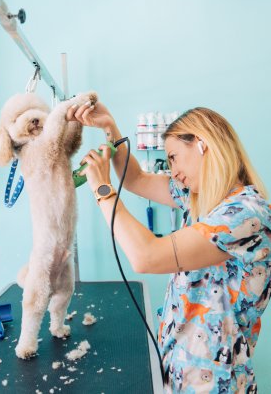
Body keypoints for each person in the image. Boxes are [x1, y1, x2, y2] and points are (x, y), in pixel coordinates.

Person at [66, 101, 271, 393]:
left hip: (215, 384)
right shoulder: (202, 199)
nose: (173, 171)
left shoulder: (244, 214)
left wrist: (102, 189)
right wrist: (110, 128)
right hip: (179, 372)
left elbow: (145, 257)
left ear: (202, 144)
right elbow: (135, 179)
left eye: (174, 157)